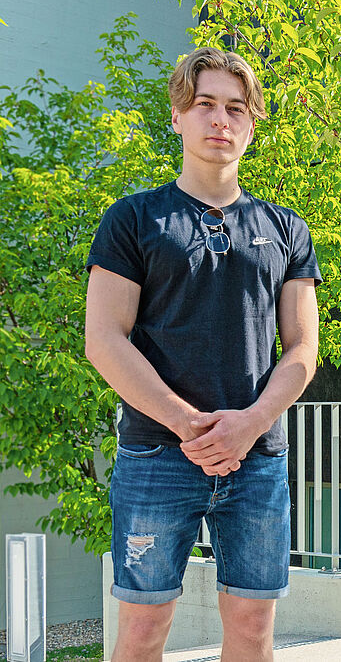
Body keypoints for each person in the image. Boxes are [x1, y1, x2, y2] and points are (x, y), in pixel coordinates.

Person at [84, 47, 321, 661]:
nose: (221, 119)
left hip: (257, 459)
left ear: (252, 123)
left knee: (252, 628)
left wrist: (250, 424)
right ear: (177, 117)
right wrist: (188, 423)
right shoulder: (134, 219)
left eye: (236, 108)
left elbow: (302, 349)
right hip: (157, 455)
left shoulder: (286, 229)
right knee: (142, 630)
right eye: (205, 104)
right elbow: (104, 339)